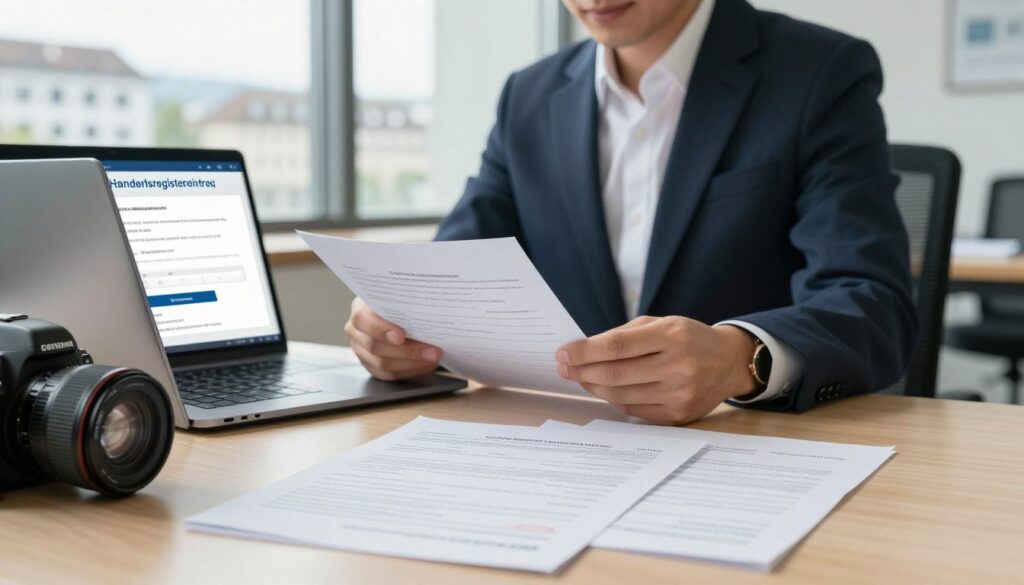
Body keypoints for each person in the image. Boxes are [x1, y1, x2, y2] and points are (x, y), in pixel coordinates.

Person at [345, 0, 917, 425]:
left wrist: (741, 358)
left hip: (752, 445)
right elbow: (454, 267)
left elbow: (873, 301)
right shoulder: (529, 96)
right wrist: (398, 328)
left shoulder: (819, 71)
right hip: (567, 447)